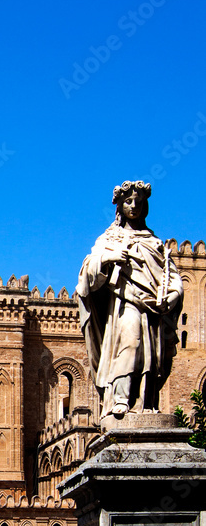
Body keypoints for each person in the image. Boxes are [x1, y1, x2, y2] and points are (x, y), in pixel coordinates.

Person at [77, 180, 182, 422]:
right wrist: (109, 257)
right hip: (126, 303)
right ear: (120, 206)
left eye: (139, 202)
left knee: (151, 357)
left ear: (145, 207)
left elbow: (172, 276)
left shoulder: (155, 243)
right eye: (128, 202)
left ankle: (146, 403)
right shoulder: (111, 238)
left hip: (154, 308)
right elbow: (87, 272)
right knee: (131, 344)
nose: (133, 206)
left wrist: (174, 295)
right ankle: (120, 399)